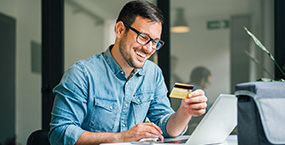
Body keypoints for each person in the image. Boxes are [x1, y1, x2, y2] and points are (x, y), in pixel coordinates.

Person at [48, 1, 207, 145]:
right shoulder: (82, 74)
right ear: (120, 30)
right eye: (143, 37)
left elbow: (166, 127)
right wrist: (122, 137)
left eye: (155, 42)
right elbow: (60, 133)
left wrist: (185, 112)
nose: (148, 48)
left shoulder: (153, 74)